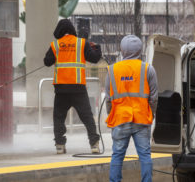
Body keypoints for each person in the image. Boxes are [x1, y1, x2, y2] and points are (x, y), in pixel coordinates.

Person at [105, 35, 158, 182]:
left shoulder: (112, 70)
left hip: (120, 119)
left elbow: (108, 99)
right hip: (141, 119)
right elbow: (154, 97)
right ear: (140, 50)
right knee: (145, 155)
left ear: (122, 50)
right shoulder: (148, 69)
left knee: (117, 155)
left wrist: (112, 114)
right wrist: (151, 114)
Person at [44, 19, 101, 154]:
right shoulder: (82, 43)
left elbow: (47, 62)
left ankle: (59, 145)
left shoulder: (55, 45)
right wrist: (97, 48)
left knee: (58, 117)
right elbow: (94, 58)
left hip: (61, 89)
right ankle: (94, 145)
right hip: (78, 89)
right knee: (87, 116)